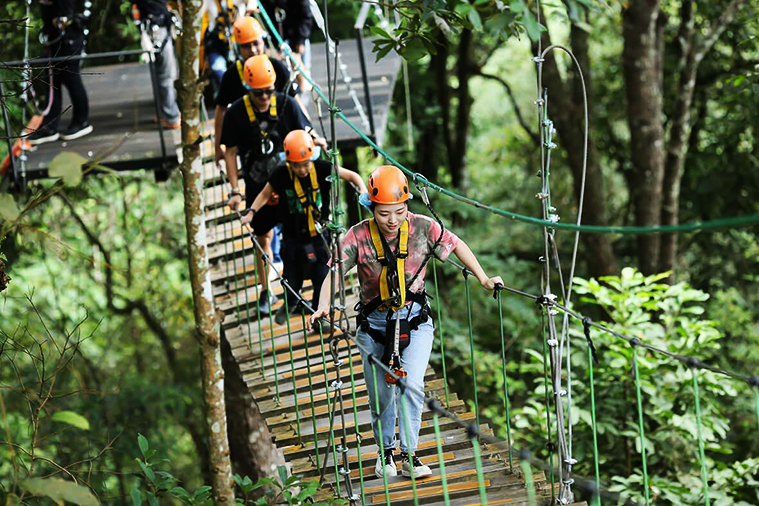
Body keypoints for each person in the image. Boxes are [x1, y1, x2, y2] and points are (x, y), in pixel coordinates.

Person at [310, 166, 503, 479]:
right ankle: (385, 452)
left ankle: (410, 455)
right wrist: (322, 307)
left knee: (411, 386)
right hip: (373, 326)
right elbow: (334, 272)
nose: (392, 220)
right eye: (384, 213)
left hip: (415, 323)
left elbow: (456, 244)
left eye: (399, 211)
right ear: (372, 208)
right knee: (381, 394)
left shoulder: (422, 228)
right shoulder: (357, 236)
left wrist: (482, 278)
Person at [223, 55, 325, 315]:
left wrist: (318, 142)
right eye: (259, 94)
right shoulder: (235, 112)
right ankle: (266, 290)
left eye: (269, 91)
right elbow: (231, 151)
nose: (265, 97)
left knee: (304, 236)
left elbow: (306, 132)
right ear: (249, 90)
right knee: (263, 236)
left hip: (293, 181)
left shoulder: (287, 104)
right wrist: (235, 190)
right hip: (259, 182)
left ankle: (311, 299)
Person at [244, 130, 366, 325]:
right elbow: (265, 194)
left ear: (312, 158)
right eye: (297, 166)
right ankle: (290, 303)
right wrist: (251, 211)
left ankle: (321, 317)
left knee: (322, 278)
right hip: (292, 237)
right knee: (292, 280)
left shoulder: (322, 168)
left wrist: (363, 190)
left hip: (320, 235)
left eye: (306, 164)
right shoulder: (281, 173)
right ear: (289, 163)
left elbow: (352, 176)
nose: (302, 170)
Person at [214, 16, 306, 166]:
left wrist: (309, 133)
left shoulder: (277, 68)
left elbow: (296, 102)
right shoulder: (232, 75)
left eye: (256, 43)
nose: (253, 50)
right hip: (250, 149)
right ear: (238, 48)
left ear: (263, 41)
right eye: (246, 46)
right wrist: (218, 146)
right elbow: (221, 109)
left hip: (282, 142)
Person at [29, 0, 93, 145]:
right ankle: (50, 126)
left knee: (71, 79)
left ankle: (81, 121)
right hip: (54, 37)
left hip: (68, 37)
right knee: (52, 81)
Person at [133, 0, 181, 130]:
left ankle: (164, 114)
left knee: (160, 74)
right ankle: (172, 117)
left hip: (155, 26)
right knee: (166, 76)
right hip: (157, 28)